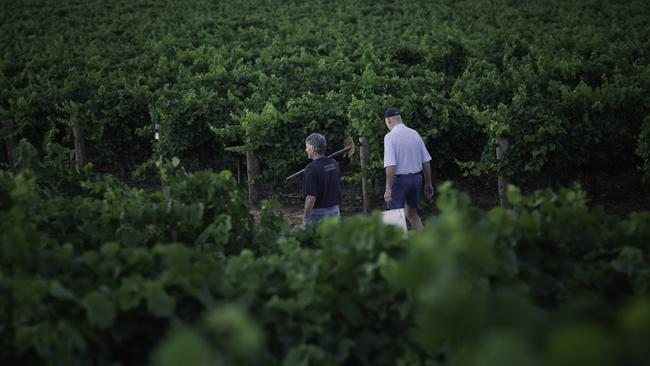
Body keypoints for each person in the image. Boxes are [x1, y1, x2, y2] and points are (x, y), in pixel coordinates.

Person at [383, 107, 434, 230]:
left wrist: (388, 188)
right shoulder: (414, 133)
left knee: (394, 218)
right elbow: (426, 161)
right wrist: (428, 183)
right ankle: (424, 245)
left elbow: (391, 165)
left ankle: (400, 248)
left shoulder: (390, 137)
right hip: (416, 179)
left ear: (389, 120)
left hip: (400, 181)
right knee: (412, 214)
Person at [302, 133, 342, 225]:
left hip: (319, 215)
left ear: (312, 149)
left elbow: (311, 197)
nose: (305, 150)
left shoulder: (311, 169)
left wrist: (306, 217)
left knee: (318, 239)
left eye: (307, 147)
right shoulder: (334, 164)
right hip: (335, 211)